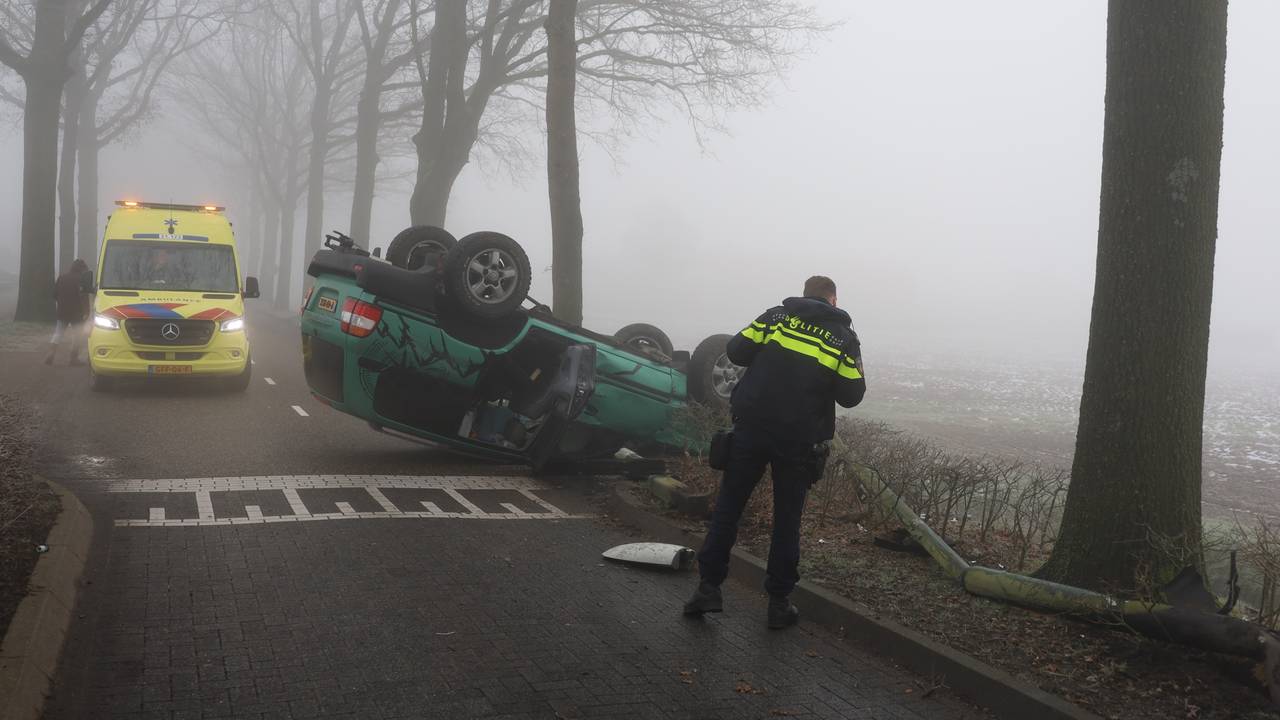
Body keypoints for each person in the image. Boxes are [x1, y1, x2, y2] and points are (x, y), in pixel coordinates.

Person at [683, 275, 866, 628]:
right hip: (798, 440)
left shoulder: (776, 318)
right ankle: (778, 604)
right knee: (786, 521)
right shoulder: (843, 338)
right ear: (833, 300)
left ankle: (707, 589)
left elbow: (736, 350)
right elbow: (852, 395)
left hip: (751, 428)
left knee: (728, 509)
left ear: (804, 295)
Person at [45, 259, 92, 366]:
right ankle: (73, 358)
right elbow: (84, 297)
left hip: (63, 310)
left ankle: (51, 352)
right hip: (77, 313)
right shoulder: (81, 280)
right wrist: (87, 312)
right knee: (77, 335)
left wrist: (62, 303)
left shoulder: (61, 277)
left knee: (58, 332)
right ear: (82, 269)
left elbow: (55, 295)